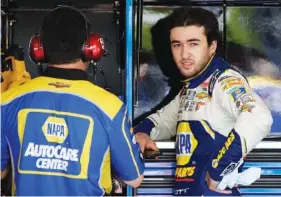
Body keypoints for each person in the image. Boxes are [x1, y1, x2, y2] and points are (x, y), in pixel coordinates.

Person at [1, 6, 144, 196]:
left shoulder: (7, 101)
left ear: (38, 49)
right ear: (92, 48)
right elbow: (134, 179)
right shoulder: (111, 107)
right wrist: (137, 142)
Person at [134, 7, 273, 196]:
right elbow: (162, 121)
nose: (184, 54)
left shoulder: (223, 81)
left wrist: (217, 171)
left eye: (193, 44)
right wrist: (142, 133)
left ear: (212, 47)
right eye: (177, 45)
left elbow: (259, 117)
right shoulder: (191, 88)